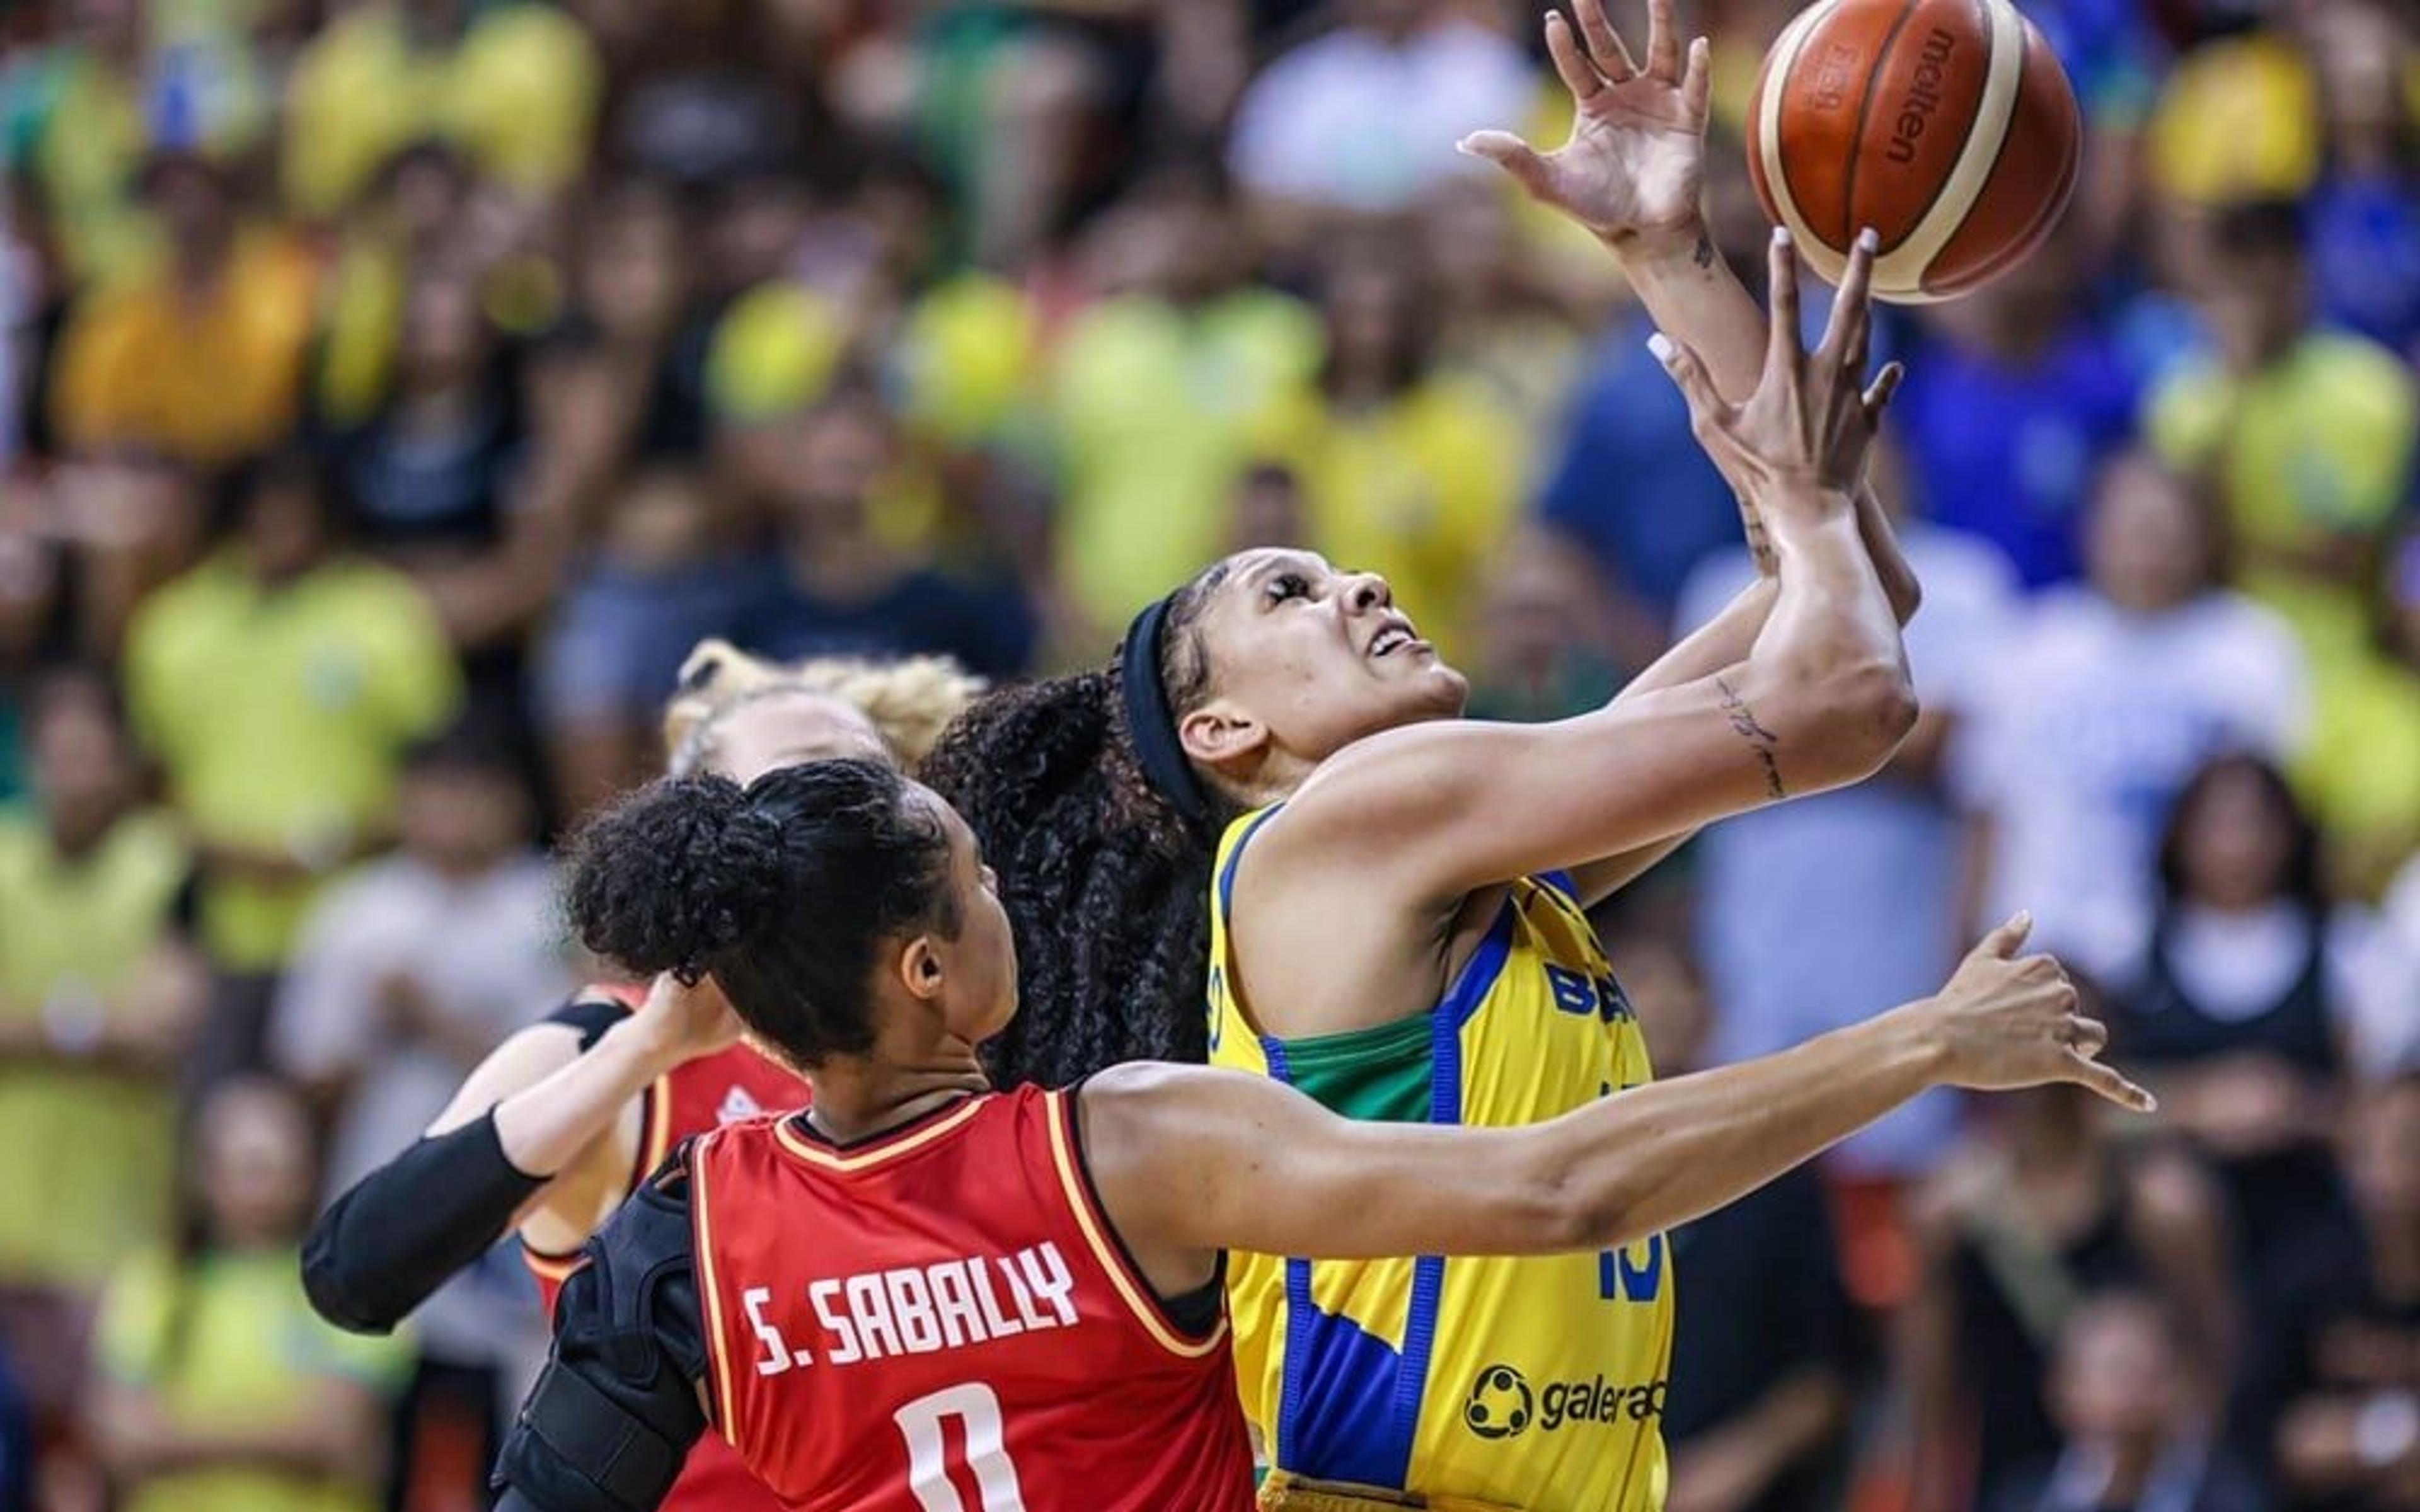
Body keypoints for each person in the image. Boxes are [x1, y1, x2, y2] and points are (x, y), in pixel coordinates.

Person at [920, 4, 1922, 1501]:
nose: (1363, 585)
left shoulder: (1455, 871)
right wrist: (1796, 483)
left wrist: (1665, 251)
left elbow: (1837, 604)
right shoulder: (1354, 817)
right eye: (1290, 590)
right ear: (1222, 730)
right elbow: (1846, 682)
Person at [490, 755, 2146, 1512]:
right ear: (926, 971)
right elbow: (1562, 1183)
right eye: (977, 879)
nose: (1011, 891)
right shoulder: (1126, 1153)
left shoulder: (676, 1235)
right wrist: (1927, 1041)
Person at [301, 639, 981, 1512]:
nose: (849, 801)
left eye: (872, 773)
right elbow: (356, 1269)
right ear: (709, 821)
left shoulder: (965, 1023)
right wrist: (648, 1048)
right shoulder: (616, 1048)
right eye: (810, 770)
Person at [1952, 451, 2308, 982]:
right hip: (2045, 947)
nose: (2150, 552)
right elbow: (1985, 815)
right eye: (2133, 530)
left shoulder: (2253, 650)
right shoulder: (2033, 647)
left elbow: (2276, 818)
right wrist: (1962, 956)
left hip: (2196, 962)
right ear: (2091, 533)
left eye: (2168, 531)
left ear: (2205, 537)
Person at [87, 1077, 410, 1512]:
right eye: (249, 1167)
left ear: (309, 1172)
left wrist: (169, 1434)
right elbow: (118, 1438)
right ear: (205, 1174)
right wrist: (284, 1432)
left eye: (280, 1167)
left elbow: (338, 1436)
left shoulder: (355, 1282)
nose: (264, 1187)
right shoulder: (154, 1281)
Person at [1984, 1292, 2266, 1512]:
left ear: (2179, 1388)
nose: (2120, 1394)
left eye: (2134, 1371)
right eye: (2101, 1372)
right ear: (2059, 1391)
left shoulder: (2228, 1496)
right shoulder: (2023, 1500)